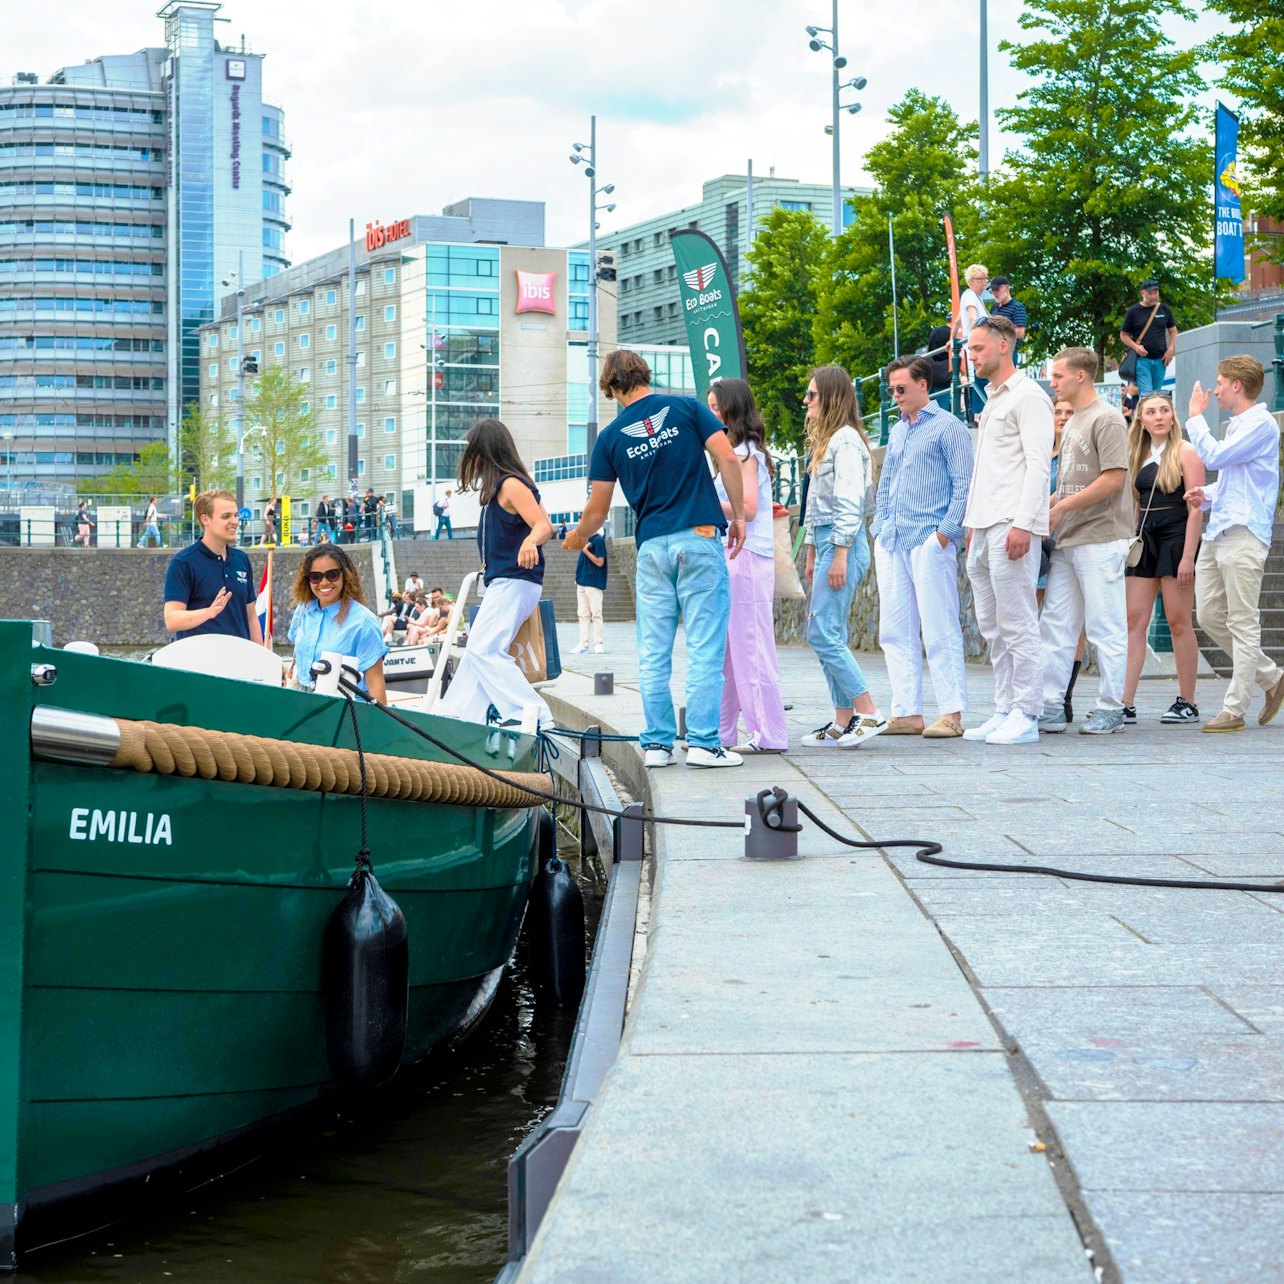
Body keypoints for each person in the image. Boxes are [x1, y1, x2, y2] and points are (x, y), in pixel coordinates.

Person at [563, 348, 747, 769]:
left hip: (651, 549)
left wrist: (577, 536)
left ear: (610, 388)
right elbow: (728, 458)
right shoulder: (686, 407)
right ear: (645, 373)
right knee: (704, 647)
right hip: (698, 537)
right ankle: (702, 742)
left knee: (653, 651)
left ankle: (658, 745)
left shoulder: (609, 439)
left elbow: (597, 510)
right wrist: (737, 517)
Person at [961, 315, 1053, 745]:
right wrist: (972, 524)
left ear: (1004, 345)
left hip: (1010, 524)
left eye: (977, 348)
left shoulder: (1029, 397)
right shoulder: (993, 397)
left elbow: (1038, 466)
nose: (971, 356)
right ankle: (1004, 707)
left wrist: (1024, 523)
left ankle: (1027, 713)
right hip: (983, 525)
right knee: (992, 624)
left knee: (1018, 621)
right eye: (970, 348)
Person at [871, 356, 973, 739]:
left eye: (901, 388)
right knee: (893, 629)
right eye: (891, 389)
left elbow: (964, 484)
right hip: (893, 538)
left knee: (939, 627)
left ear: (923, 385)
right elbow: (887, 481)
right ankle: (907, 711)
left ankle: (951, 713)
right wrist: (879, 526)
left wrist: (943, 535)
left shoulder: (949, 428)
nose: (895, 396)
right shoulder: (898, 431)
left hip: (929, 539)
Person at [1183, 356, 1284, 733]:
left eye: (1220, 382)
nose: (1216, 389)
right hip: (1221, 529)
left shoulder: (1260, 424)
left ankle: (1235, 708)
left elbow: (1215, 457)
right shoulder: (1241, 425)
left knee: (1242, 622)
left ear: (1236, 385)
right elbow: (1236, 478)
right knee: (1209, 615)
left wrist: (1195, 416)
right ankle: (1272, 677)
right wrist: (1206, 494)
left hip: (1244, 533)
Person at [1037, 347, 1133, 736]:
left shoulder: (1107, 419)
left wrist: (1060, 509)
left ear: (1080, 376)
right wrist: (1046, 506)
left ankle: (1111, 707)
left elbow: (1113, 479)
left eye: (1058, 376)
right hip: (1070, 538)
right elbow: (1071, 481)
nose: (1053, 382)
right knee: (1057, 624)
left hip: (1102, 537)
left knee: (1105, 625)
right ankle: (1051, 705)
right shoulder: (1074, 420)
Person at [436, 420, 554, 729]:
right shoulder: (503, 487)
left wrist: (529, 541)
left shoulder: (511, 485)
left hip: (514, 580)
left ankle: (532, 713)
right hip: (507, 582)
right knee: (478, 652)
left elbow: (544, 526)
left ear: (483, 451)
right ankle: (458, 718)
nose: (469, 459)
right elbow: (546, 522)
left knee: (483, 648)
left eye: (471, 451)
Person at [798, 364, 887, 750]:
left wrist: (838, 554)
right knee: (828, 632)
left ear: (831, 397)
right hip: (830, 541)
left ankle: (867, 710)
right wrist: (813, 551)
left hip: (843, 541)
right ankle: (843, 719)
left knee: (822, 633)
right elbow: (816, 507)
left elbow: (850, 503)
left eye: (813, 394)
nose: (806, 401)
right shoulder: (829, 441)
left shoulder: (846, 441)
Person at [706, 377, 788, 754]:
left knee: (751, 647)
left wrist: (705, 499)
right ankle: (724, 733)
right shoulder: (733, 453)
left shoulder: (745, 453)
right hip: (733, 554)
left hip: (748, 557)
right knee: (728, 652)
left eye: (715, 408)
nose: (710, 414)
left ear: (731, 410)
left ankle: (768, 732)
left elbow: (750, 509)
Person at [1120, 393, 1205, 724]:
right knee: (1134, 620)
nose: (1158, 417)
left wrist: (1188, 557)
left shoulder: (1186, 452)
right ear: (1141, 419)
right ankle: (1125, 702)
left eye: (1164, 410)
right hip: (1145, 541)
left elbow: (1195, 509)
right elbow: (1135, 503)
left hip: (1176, 540)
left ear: (1173, 416)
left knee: (1178, 621)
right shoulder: (1136, 454)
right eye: (1151, 412)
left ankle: (1188, 701)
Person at [287, 543, 387, 702]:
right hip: (304, 708)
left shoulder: (364, 622)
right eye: (315, 576)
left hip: (346, 714)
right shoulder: (303, 611)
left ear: (345, 575)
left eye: (332, 575)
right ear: (307, 580)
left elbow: (376, 685)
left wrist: (379, 725)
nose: (324, 582)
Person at [162, 488, 262, 643]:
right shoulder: (183, 563)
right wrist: (209, 612)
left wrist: (261, 659)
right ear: (205, 519)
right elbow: (172, 620)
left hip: (239, 661)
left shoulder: (241, 560)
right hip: (197, 662)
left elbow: (251, 618)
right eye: (226, 516)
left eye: (236, 515)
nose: (234, 521)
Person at [1119, 278, 1177, 396]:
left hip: (1161, 360)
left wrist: (1171, 349)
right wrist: (1136, 347)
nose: (1154, 296)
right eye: (1150, 293)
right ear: (1142, 293)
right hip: (1142, 360)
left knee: (1157, 395)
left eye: (1156, 292)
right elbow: (1123, 335)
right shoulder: (1133, 312)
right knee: (1147, 395)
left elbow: (1173, 331)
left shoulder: (1164, 309)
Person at [571, 523, 609, 656]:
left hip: (593, 583)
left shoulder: (597, 540)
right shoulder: (585, 540)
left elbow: (600, 562)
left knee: (596, 614)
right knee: (583, 614)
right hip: (582, 582)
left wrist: (586, 551)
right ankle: (583, 643)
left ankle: (598, 644)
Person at [989, 276, 1028, 363]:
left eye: (997, 289)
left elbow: (1020, 333)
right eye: (992, 291)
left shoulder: (1017, 307)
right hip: (993, 352)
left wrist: (999, 333)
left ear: (1006, 287)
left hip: (1008, 353)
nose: (995, 293)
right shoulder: (994, 307)